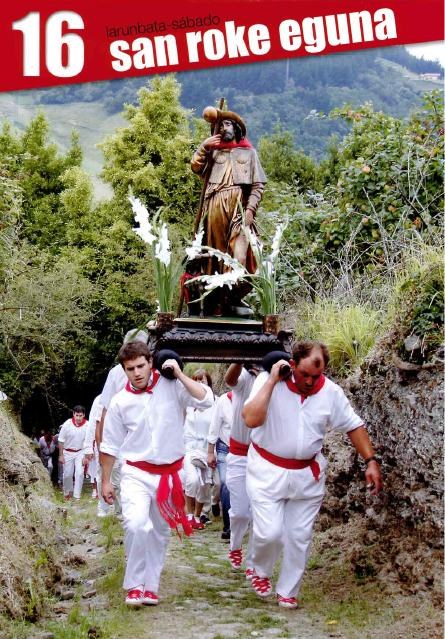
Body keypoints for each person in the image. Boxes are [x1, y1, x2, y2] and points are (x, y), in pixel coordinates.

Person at [242, 341, 382, 609]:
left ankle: (288, 590)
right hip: (266, 471)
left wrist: (371, 461)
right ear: (291, 364)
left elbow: (354, 425)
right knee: (270, 533)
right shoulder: (267, 380)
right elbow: (250, 419)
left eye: (315, 376)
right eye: (304, 374)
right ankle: (259, 570)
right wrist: (272, 380)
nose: (309, 381)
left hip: (307, 475)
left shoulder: (330, 392)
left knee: (299, 536)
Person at [100, 343, 213, 607]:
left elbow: (206, 399)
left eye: (141, 366)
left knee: (160, 533)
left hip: (170, 475)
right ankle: (134, 585)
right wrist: (106, 480)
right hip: (136, 473)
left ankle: (150, 586)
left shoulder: (172, 386)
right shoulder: (120, 402)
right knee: (138, 525)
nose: (137, 373)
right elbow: (109, 445)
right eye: (130, 369)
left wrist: (179, 373)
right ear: (124, 370)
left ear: (151, 362)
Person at [191, 108, 267, 316]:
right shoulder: (214, 153)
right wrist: (203, 147)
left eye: (229, 124)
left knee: (242, 255)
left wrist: (250, 210)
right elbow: (196, 167)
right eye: (222, 124)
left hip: (238, 211)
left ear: (237, 128)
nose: (225, 128)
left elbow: (258, 186)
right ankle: (216, 301)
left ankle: (235, 296)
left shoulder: (249, 153)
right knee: (213, 255)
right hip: (215, 207)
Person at [224, 362, 262, 578]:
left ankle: (253, 562)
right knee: (240, 512)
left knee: (259, 514)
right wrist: (239, 358)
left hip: (263, 456)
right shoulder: (244, 377)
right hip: (238, 454)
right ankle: (235, 545)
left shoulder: (271, 378)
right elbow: (230, 380)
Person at [183, 369, 216, 530]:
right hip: (189, 448)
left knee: (205, 485)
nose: (200, 384)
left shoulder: (214, 404)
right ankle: (188, 514)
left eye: (202, 381)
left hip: (207, 449)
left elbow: (217, 428)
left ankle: (197, 515)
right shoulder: (188, 404)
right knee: (192, 480)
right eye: (196, 381)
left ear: (208, 383)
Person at [207, 391, 233, 540]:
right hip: (225, 447)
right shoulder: (224, 400)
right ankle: (228, 526)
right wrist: (210, 452)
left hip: (247, 450)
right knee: (225, 482)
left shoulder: (253, 396)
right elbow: (214, 426)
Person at [58, 405, 89, 500]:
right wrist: (61, 455)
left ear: (83, 415)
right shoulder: (67, 424)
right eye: (77, 415)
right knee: (67, 474)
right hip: (67, 451)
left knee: (79, 473)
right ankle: (67, 493)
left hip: (81, 451)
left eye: (80, 415)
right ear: (73, 414)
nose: (78, 418)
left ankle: (76, 496)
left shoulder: (88, 425)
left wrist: (86, 456)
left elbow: (88, 441)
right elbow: (61, 440)